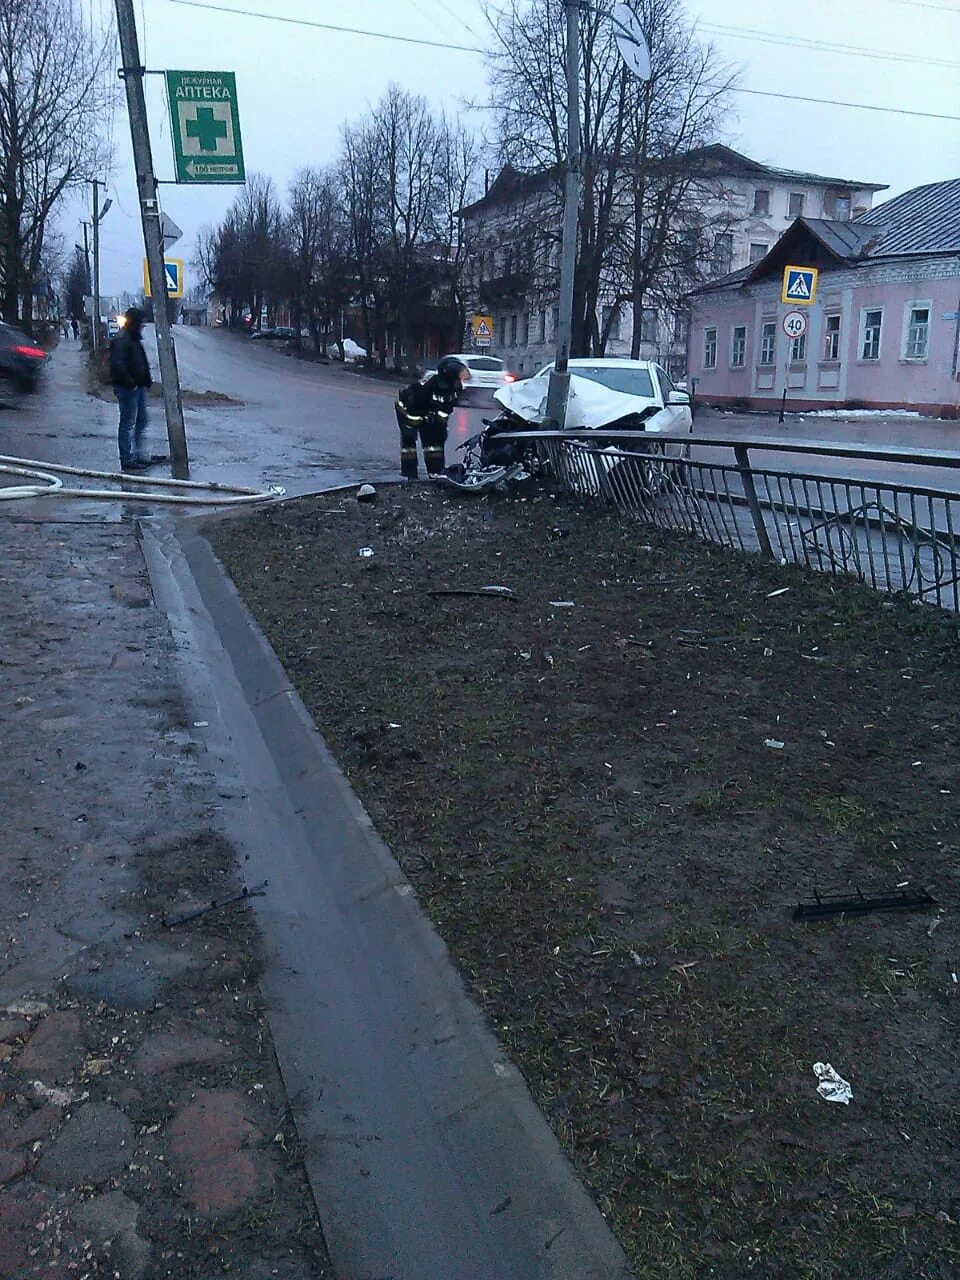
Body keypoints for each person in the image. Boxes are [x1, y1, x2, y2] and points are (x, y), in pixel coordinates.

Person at [395, 356, 471, 479]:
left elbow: (447, 408)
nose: (460, 380)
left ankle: (436, 473)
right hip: (407, 411)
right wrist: (419, 421)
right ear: (449, 374)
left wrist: (440, 427)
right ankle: (410, 475)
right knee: (409, 445)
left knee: (435, 445)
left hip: (426, 414)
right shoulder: (428, 386)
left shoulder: (455, 388)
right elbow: (415, 406)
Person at [109, 307, 153, 472]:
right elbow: (117, 364)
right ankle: (127, 459)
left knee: (141, 421)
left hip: (138, 387)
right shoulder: (122, 339)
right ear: (134, 322)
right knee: (128, 423)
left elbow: (141, 362)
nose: (143, 326)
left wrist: (146, 380)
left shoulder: (133, 339)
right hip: (128, 388)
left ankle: (139, 455)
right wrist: (131, 383)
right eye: (141, 322)